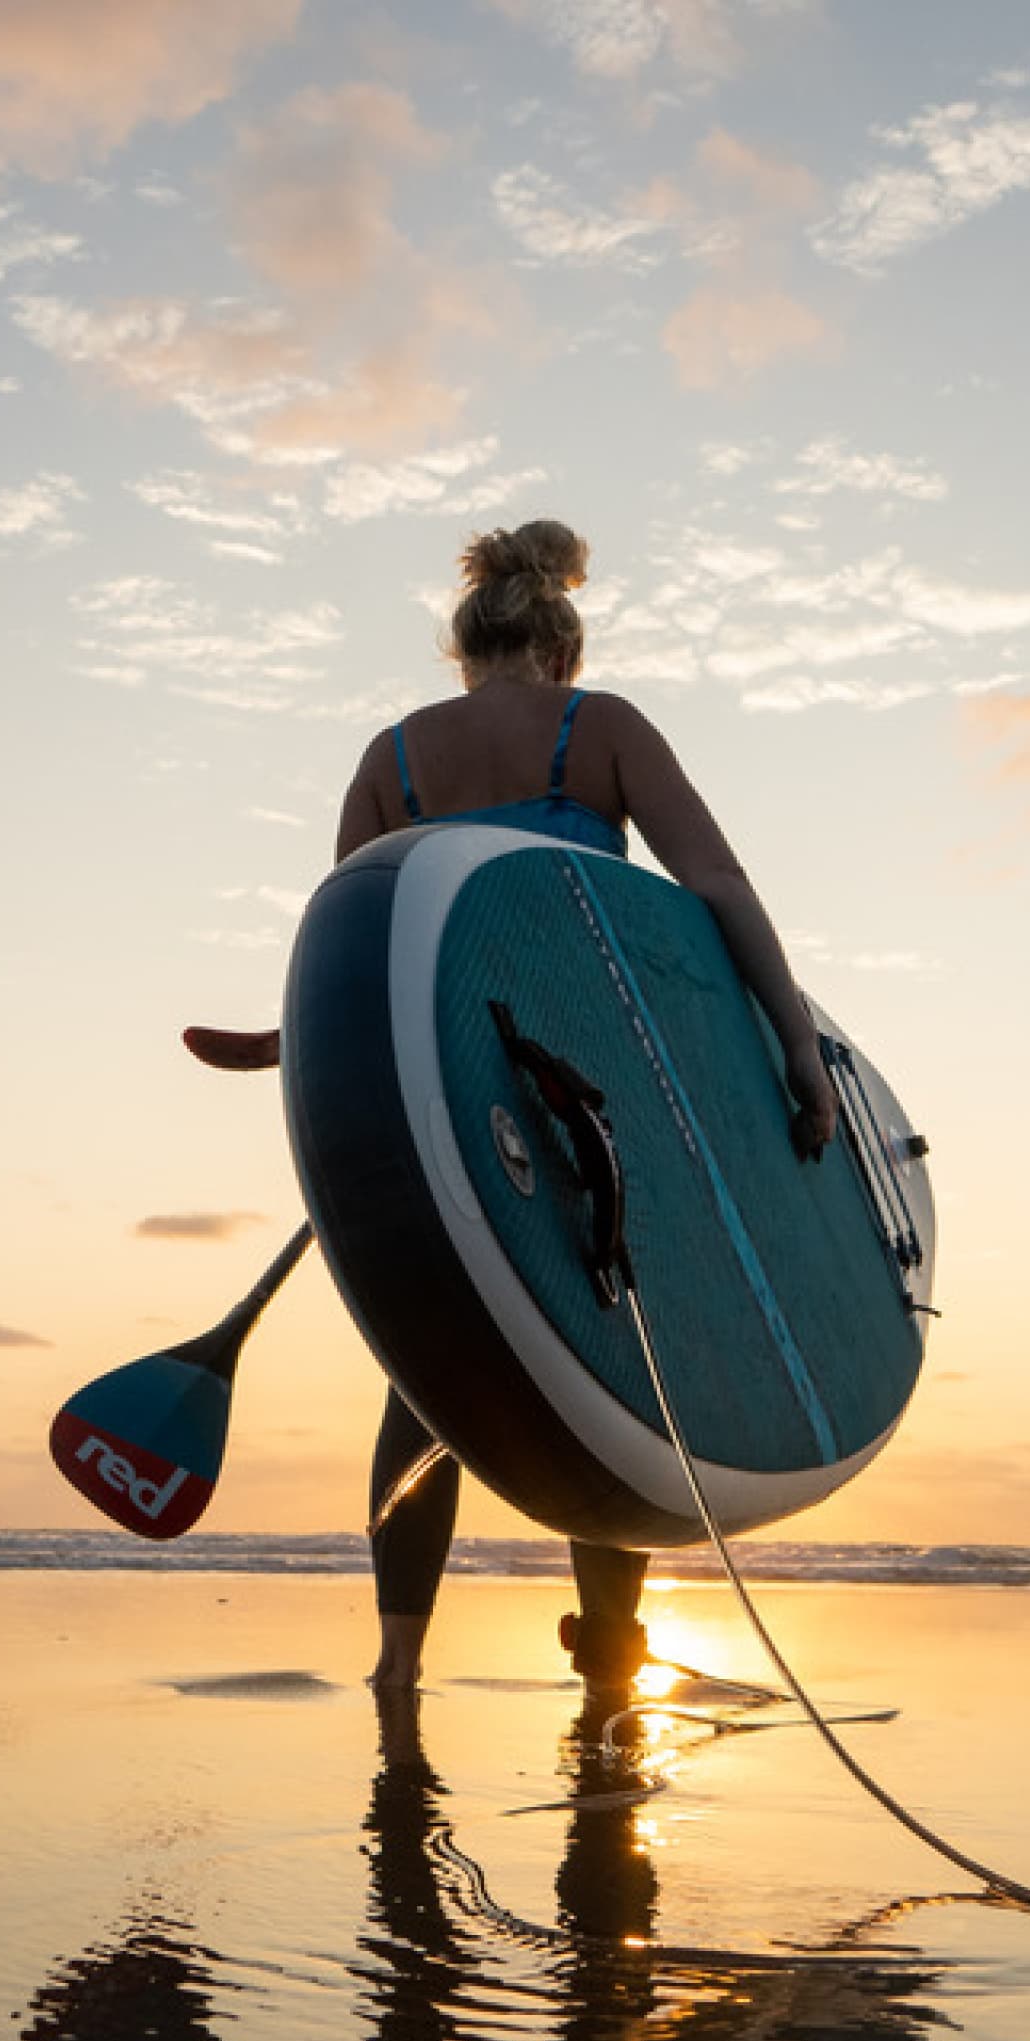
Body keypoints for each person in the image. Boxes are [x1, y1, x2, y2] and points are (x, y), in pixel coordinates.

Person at [190, 519, 837, 1696]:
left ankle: (398, 1660)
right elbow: (719, 885)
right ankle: (611, 1656)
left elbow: (347, 960)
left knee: (429, 1369)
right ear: (561, 650)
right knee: (607, 1353)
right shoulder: (603, 730)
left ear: (470, 644)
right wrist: (796, 1047)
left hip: (442, 1107)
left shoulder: (390, 759)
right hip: (586, 1091)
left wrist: (277, 1050)